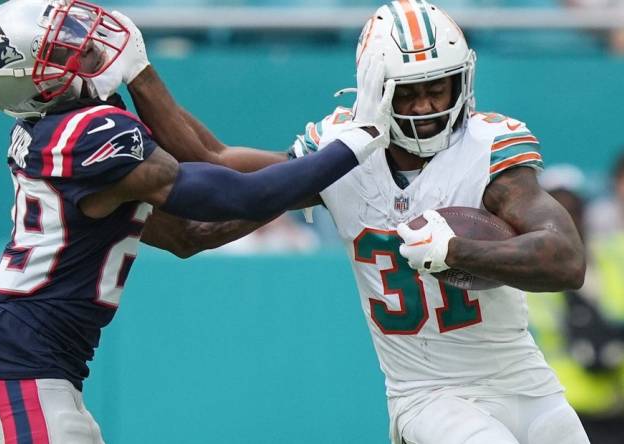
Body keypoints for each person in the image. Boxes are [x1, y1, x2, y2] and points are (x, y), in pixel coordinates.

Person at [122, 1, 590, 443]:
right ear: (375, 88)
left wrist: (455, 251)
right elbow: (211, 168)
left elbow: (566, 261)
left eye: (437, 88)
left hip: (525, 381)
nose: (428, 108)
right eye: (410, 92)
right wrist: (136, 74)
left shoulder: (488, 149)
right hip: (428, 395)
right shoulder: (341, 152)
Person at [0, 0, 395, 442]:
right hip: (19, 362)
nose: (86, 43)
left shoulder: (68, 136)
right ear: (38, 84)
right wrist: (349, 148)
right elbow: (236, 192)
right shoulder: (87, 135)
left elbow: (187, 235)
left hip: (32, 362)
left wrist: (305, 170)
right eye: (62, 49)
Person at [529, 165, 624, 444]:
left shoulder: (621, 252)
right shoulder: (523, 269)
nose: (566, 218)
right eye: (556, 209)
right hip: (568, 408)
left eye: (573, 208)